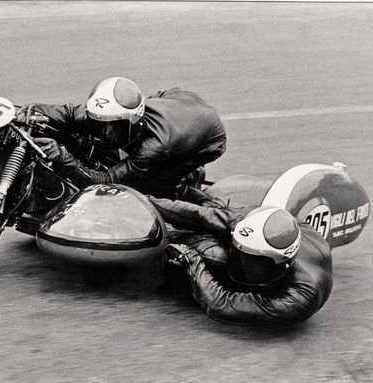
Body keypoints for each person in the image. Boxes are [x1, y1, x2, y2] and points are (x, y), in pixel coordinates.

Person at [17, 76, 226, 199]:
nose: (104, 133)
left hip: (208, 136)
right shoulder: (100, 113)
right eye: (98, 123)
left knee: (147, 191)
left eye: (113, 127)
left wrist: (63, 157)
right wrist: (31, 109)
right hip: (174, 98)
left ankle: (189, 179)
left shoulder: (153, 147)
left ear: (132, 122)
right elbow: (69, 112)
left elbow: (107, 181)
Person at [150, 196, 333, 324]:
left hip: (281, 285)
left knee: (214, 256)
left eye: (253, 262)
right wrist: (147, 202)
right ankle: (202, 198)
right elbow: (199, 215)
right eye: (239, 254)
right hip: (263, 217)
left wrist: (190, 259)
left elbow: (220, 305)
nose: (242, 264)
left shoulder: (299, 299)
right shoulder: (251, 223)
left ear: (283, 263)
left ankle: (168, 241)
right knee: (211, 217)